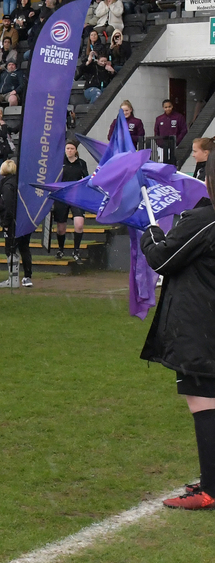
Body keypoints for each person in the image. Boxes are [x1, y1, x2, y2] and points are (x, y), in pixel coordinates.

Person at [140, 153, 215, 510]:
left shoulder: (205, 220)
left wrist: (150, 234)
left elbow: (164, 259)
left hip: (201, 325)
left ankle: (210, 489)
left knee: (203, 401)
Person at [0, 159, 32, 287]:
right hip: (24, 220)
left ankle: (13, 278)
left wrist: (6, 222)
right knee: (24, 248)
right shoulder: (20, 183)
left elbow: (10, 205)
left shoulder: (7, 185)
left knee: (10, 249)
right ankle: (27, 277)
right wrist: (0, 206)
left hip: (13, 222)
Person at [52, 139, 89, 262]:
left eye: (72, 149)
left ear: (76, 150)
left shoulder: (81, 163)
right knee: (61, 228)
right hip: (62, 196)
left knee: (79, 224)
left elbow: (87, 179)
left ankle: (76, 251)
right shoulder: (58, 162)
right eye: (67, 148)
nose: (69, 151)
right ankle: (61, 249)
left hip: (76, 196)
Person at [154, 100, 188, 164]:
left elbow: (183, 130)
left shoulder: (179, 117)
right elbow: (156, 131)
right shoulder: (159, 118)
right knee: (162, 163)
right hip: (162, 146)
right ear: (163, 108)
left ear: (172, 106)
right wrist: (159, 142)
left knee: (173, 163)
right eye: (166, 107)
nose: (168, 109)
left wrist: (177, 141)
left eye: (169, 106)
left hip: (175, 146)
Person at [192, 137, 212, 208]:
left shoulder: (209, 170)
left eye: (195, 151)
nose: (193, 155)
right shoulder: (201, 167)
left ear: (205, 153)